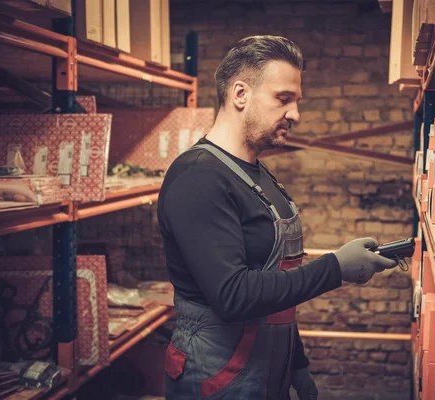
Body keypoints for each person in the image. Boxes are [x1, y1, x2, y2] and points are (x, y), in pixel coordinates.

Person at [157, 35, 398, 400]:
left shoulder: (258, 173)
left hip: (268, 368)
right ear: (240, 94)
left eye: (296, 101)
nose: (295, 114)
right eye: (283, 99)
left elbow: (275, 283)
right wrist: (336, 267)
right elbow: (233, 295)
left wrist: (296, 365)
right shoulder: (198, 177)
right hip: (216, 374)